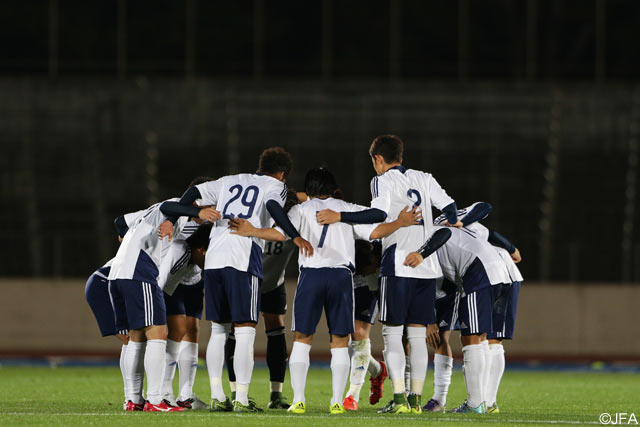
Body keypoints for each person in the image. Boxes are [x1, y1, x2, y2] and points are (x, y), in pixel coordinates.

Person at [159, 147, 312, 412]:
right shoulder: (274, 184)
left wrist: (184, 215)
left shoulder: (229, 180)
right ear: (282, 174)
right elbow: (274, 206)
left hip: (215, 258)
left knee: (219, 330)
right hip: (243, 257)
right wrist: (294, 235)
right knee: (244, 331)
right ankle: (241, 399)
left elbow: (192, 194)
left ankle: (219, 396)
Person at [316, 134, 461, 414]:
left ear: (378, 159)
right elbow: (451, 210)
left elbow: (377, 214)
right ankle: (416, 401)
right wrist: (446, 224)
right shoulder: (425, 177)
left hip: (397, 264)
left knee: (393, 335)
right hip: (426, 266)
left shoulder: (383, 180)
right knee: (418, 336)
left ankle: (398, 400)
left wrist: (340, 216)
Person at [108, 197, 216, 412]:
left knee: (136, 337)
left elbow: (121, 221)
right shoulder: (171, 211)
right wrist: (198, 213)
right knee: (157, 334)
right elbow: (168, 206)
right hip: (139, 273)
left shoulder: (150, 214)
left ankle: (133, 400)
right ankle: (156, 400)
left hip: (120, 273)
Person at [420, 223, 511, 414]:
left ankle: (475, 404)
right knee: (481, 338)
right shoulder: (438, 229)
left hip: (477, 273)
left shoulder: (425, 236)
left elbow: (428, 279)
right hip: (496, 271)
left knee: (470, 338)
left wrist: (429, 319)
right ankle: (481, 402)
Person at [224, 189, 301, 409]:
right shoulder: (256, 222)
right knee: (236, 331)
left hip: (272, 284)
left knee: (275, 330)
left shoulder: (290, 222)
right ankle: (236, 391)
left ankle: (275, 395)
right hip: (247, 280)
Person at [84, 209, 145, 410]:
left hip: (106, 282)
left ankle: (133, 398)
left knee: (132, 340)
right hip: (104, 284)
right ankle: (132, 398)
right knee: (132, 339)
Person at [158, 223, 213, 410]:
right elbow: (161, 281)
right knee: (177, 330)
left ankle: (186, 394)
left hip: (194, 281)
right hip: (173, 284)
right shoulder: (179, 250)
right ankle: (164, 392)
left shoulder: (200, 249)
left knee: (192, 330)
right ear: (199, 250)